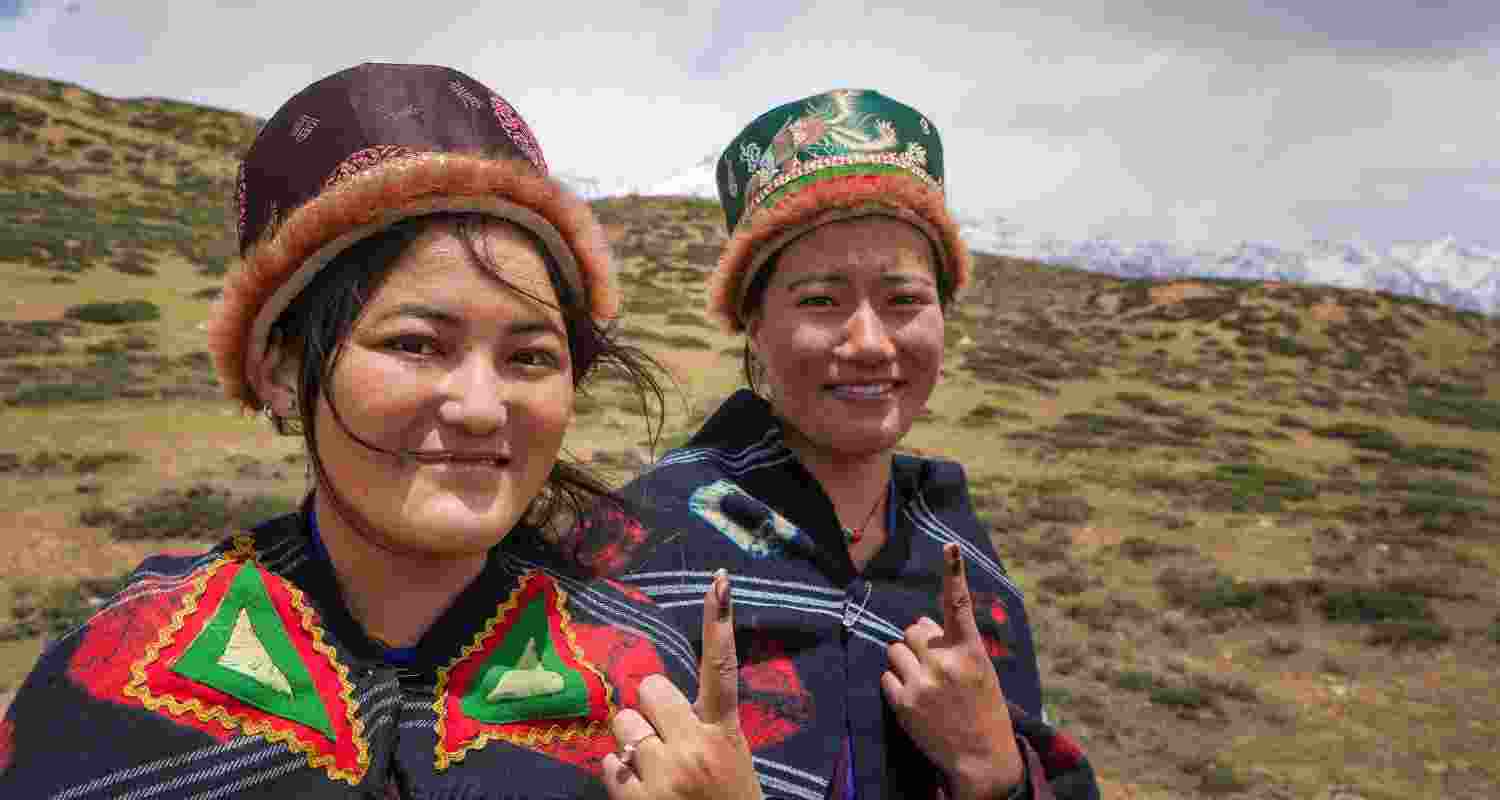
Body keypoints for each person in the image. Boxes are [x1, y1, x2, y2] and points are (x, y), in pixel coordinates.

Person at [0, 63, 763, 800]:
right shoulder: (116, 676)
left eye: (529, 356)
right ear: (278, 369)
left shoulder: (649, 683)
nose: (479, 406)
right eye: (415, 344)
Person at [570, 89, 1101, 799]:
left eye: (904, 300)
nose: (870, 343)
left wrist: (995, 769)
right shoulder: (639, 547)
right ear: (753, 324)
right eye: (820, 301)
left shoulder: (965, 568)